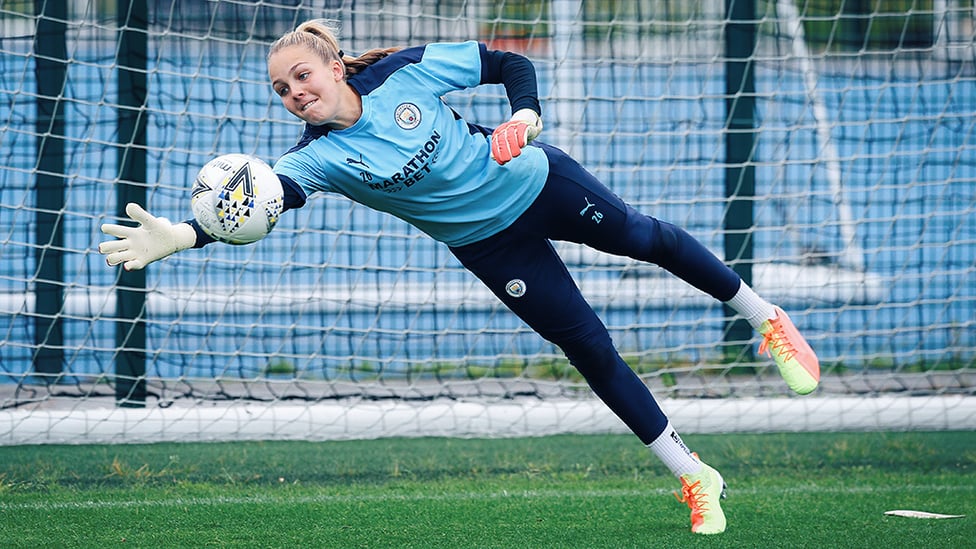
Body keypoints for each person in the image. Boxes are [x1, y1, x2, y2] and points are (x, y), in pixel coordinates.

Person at [98, 19, 820, 535]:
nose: (293, 92)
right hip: (491, 248)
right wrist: (183, 234)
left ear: (336, 67)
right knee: (590, 349)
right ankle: (694, 474)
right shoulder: (310, 159)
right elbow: (263, 201)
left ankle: (764, 316)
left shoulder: (405, 73)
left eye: (302, 75)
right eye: (282, 88)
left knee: (642, 236)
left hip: (534, 178)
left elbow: (507, 63)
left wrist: (525, 116)